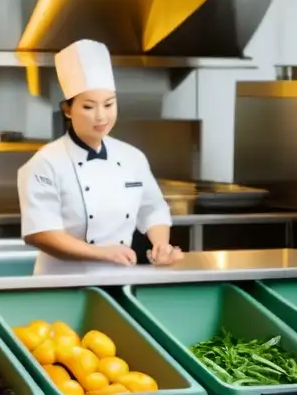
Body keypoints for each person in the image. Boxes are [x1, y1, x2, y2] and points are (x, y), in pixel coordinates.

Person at [17, 39, 184, 274]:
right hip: (61, 285)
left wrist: (161, 245)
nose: (101, 117)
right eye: (88, 107)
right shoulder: (45, 163)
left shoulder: (132, 157)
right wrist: (102, 253)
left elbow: (153, 209)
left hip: (120, 281)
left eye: (109, 104)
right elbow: (41, 234)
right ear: (67, 109)